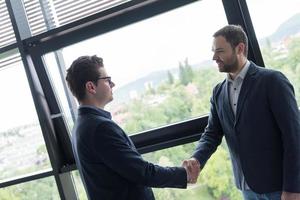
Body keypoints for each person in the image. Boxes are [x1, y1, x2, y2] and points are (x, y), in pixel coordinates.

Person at [184, 25, 300, 200]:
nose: (214, 57)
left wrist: (293, 188)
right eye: (213, 51)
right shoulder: (218, 92)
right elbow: (212, 134)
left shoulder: (272, 81)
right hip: (246, 189)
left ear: (240, 48)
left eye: (220, 51)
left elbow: (294, 137)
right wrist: (196, 159)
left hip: (279, 187)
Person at [65, 55, 199, 200]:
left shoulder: (81, 126)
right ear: (91, 87)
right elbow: (142, 172)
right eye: (107, 80)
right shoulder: (99, 128)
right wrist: (184, 174)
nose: (113, 84)